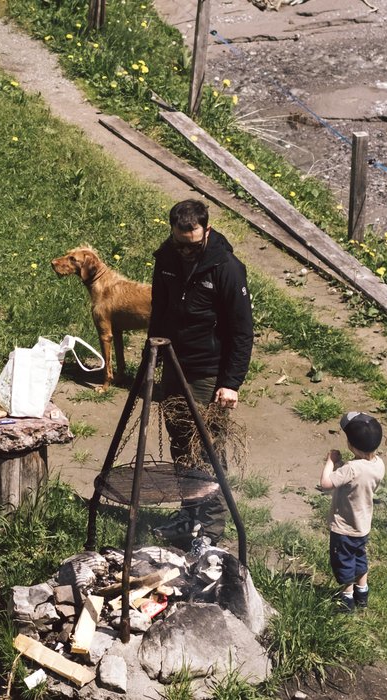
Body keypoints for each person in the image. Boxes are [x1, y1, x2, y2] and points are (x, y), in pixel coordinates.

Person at [148, 199, 254, 545]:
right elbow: (159, 312)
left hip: (209, 371)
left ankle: (211, 530)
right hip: (174, 364)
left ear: (206, 231)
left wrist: (230, 383)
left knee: (207, 449)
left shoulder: (226, 268)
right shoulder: (166, 259)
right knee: (180, 443)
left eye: (192, 245)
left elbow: (242, 331)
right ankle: (189, 514)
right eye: (180, 244)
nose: (186, 252)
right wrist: (152, 356)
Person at [320, 412, 386, 612]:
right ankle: (362, 592)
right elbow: (357, 476)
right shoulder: (378, 464)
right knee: (359, 557)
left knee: (344, 562)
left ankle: (346, 598)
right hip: (363, 525)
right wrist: (343, 465)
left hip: (344, 528)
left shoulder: (350, 469)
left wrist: (331, 462)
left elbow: (325, 484)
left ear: (351, 444)